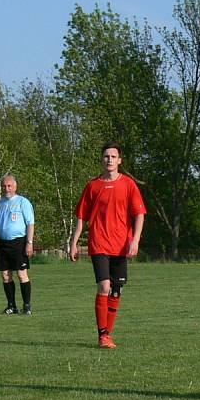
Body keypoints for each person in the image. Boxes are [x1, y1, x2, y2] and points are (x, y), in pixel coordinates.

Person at [69, 142, 146, 349]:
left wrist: (135, 240)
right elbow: (81, 217)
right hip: (99, 242)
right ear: (102, 160)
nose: (109, 160)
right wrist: (74, 243)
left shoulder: (129, 184)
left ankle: (108, 334)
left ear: (119, 160)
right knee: (104, 285)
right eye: (106, 156)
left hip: (121, 245)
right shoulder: (93, 186)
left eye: (113, 156)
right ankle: (102, 335)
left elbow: (139, 214)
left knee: (116, 290)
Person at [0, 174, 35, 315]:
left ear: (15, 187)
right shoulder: (0, 204)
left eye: (9, 186)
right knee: (6, 275)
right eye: (4, 186)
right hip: (3, 243)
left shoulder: (22, 202)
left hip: (19, 242)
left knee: (22, 274)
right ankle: (11, 305)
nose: (6, 188)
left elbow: (30, 224)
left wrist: (29, 243)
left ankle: (26, 306)